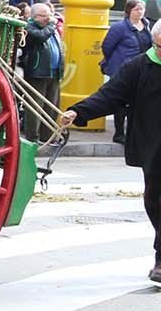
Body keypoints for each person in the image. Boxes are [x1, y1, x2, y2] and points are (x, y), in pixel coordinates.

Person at [61, 20, 161, 284]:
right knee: (154, 201)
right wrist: (78, 111)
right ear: (155, 43)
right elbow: (110, 95)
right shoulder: (139, 67)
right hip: (154, 145)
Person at [101, 0, 151, 145]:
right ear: (129, 11)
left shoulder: (146, 25)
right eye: (137, 9)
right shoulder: (119, 27)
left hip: (141, 68)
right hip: (122, 69)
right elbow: (107, 47)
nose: (140, 12)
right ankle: (119, 133)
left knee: (137, 102)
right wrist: (115, 62)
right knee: (121, 101)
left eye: (142, 9)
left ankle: (133, 132)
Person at [21, 2, 64, 144]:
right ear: (35, 16)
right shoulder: (30, 27)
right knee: (35, 107)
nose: (48, 18)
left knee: (52, 106)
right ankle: (33, 138)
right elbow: (40, 37)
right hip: (37, 72)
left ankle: (48, 137)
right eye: (44, 15)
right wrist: (51, 25)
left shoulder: (51, 29)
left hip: (54, 72)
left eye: (49, 14)